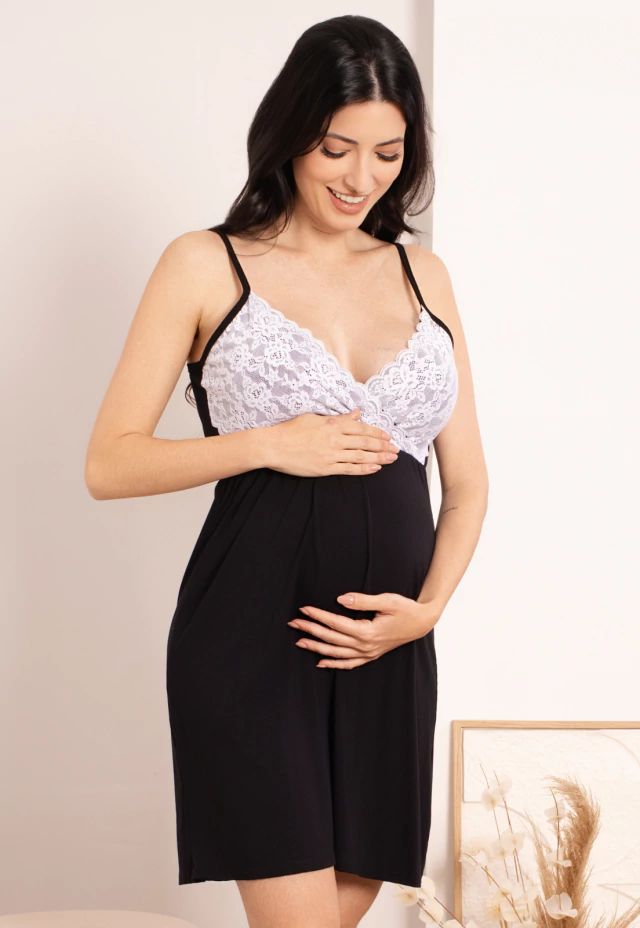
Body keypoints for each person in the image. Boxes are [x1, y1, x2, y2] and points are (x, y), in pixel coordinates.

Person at [84, 13, 488, 928]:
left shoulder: (424, 275)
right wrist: (269, 443)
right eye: (336, 148)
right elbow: (109, 463)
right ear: (291, 133)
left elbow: (467, 484)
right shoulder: (204, 263)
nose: (361, 178)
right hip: (251, 638)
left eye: (387, 154)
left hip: (387, 646)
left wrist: (426, 612)